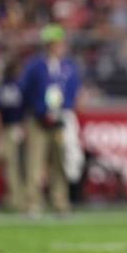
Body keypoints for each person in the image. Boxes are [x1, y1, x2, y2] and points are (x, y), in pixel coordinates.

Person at [20, 23, 80, 215]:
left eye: (59, 42)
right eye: (54, 43)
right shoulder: (35, 66)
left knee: (59, 163)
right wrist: (38, 110)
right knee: (35, 162)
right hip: (38, 120)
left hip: (59, 120)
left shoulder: (68, 67)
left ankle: (60, 201)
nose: (58, 46)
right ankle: (33, 203)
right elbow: (25, 90)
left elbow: (72, 91)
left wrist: (64, 109)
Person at [0, 59, 26, 211]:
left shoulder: (3, 87)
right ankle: (18, 198)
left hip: (10, 128)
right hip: (17, 127)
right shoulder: (20, 86)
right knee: (17, 165)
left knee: (12, 165)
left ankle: (16, 197)